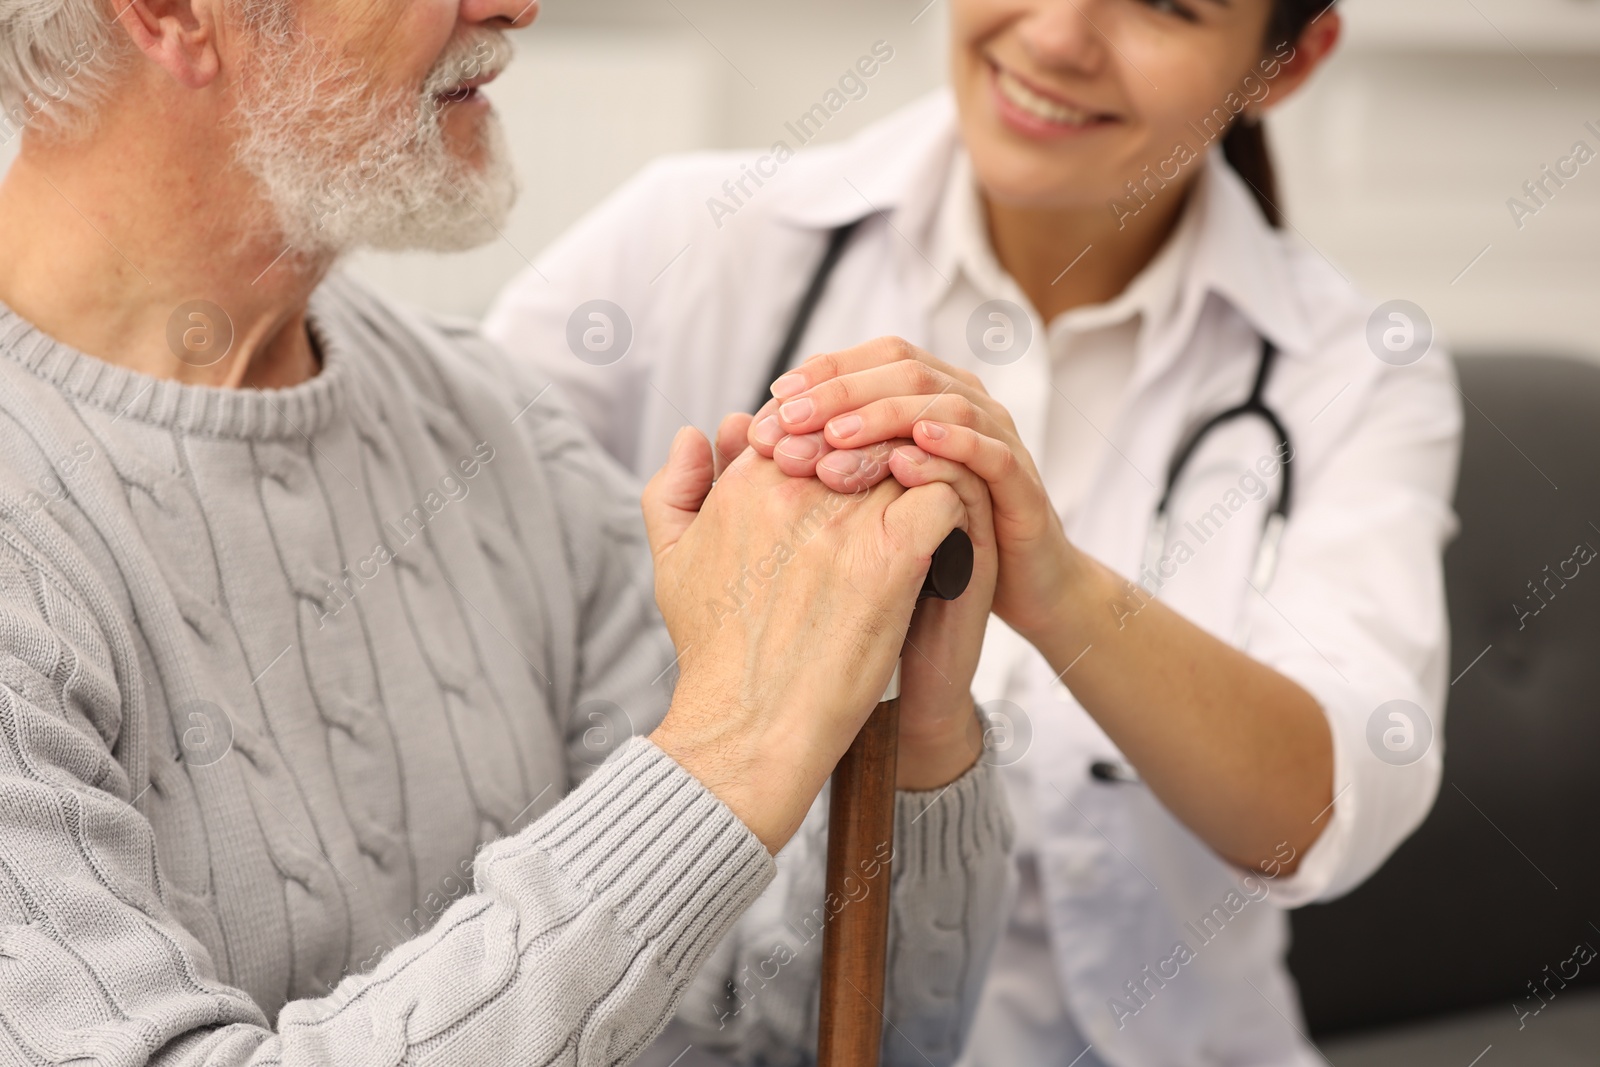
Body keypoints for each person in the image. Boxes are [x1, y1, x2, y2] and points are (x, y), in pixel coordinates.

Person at [0, 0, 1017, 1062]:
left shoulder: (489, 425)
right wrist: (726, 752)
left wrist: (909, 732)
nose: (515, 6)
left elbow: (772, 1034)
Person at [485, 0, 1463, 1063]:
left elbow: (1332, 799)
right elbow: (423, 524)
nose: (1055, 37)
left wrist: (1062, 590)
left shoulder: (1356, 368)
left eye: (1167, 7)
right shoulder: (688, 241)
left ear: (1286, 61)